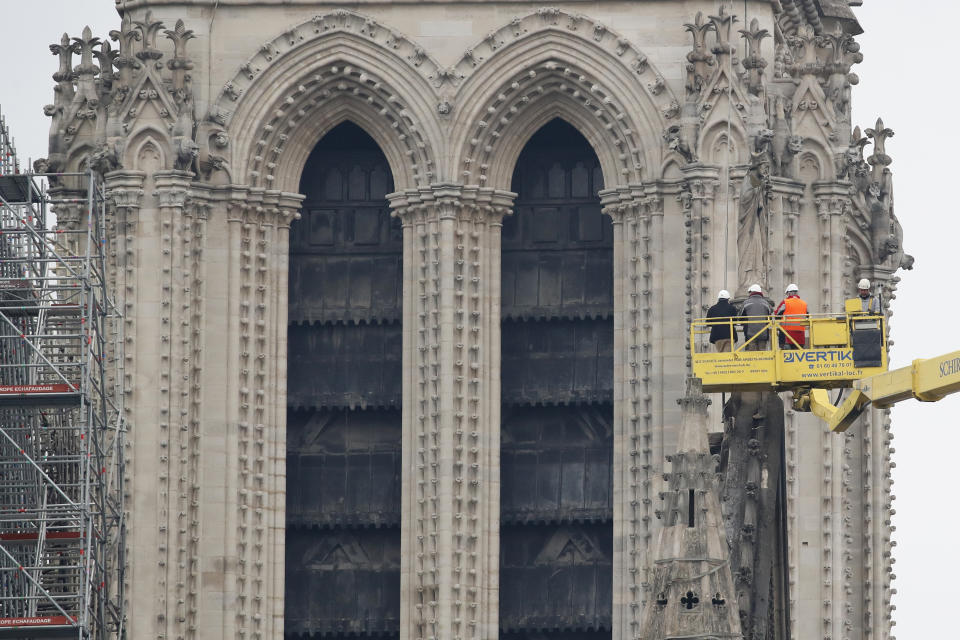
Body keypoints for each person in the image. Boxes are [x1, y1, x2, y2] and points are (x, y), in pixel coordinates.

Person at [739, 284, 773, 350]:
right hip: (763, 334)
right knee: (763, 356)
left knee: (752, 356)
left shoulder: (746, 303)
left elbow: (740, 318)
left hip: (750, 335)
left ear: (751, 292)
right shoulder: (766, 303)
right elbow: (770, 318)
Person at [774, 283, 808, 348]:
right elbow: (808, 316)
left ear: (789, 293)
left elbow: (777, 315)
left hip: (786, 335)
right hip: (800, 336)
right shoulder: (804, 303)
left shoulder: (785, 302)